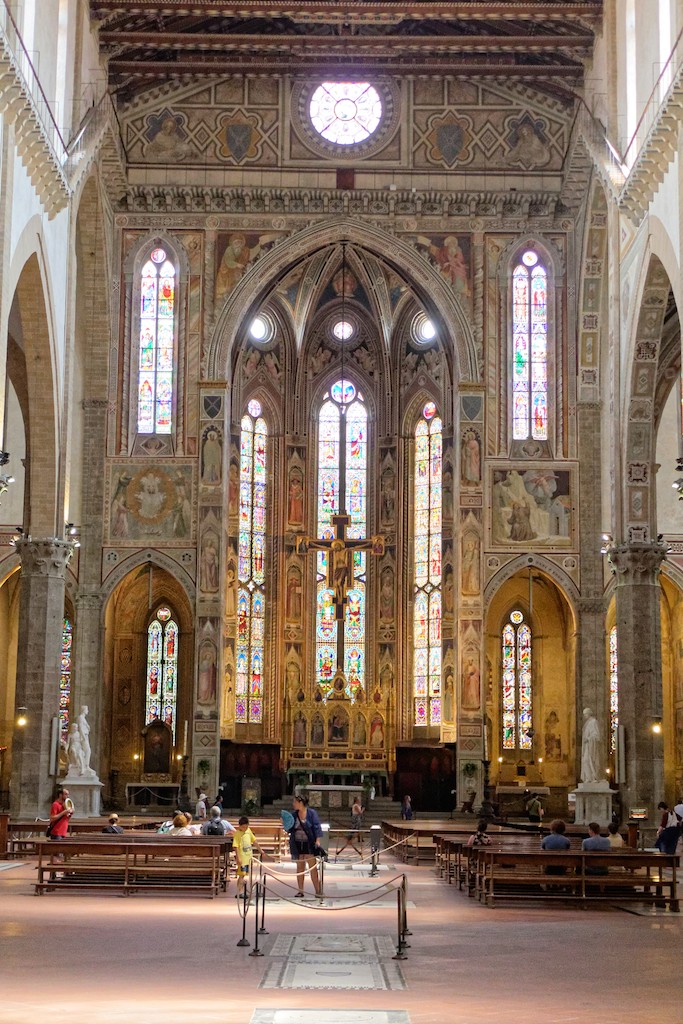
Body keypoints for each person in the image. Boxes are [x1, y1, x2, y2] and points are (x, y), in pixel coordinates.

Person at [288, 794, 323, 897]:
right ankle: (300, 891)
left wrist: (317, 840)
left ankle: (318, 891)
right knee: (300, 868)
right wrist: (285, 824)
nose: (293, 804)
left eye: (295, 802)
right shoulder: (294, 815)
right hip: (297, 843)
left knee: (312, 868)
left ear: (301, 803)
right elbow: (289, 829)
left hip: (309, 843)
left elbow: (316, 826)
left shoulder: (311, 813)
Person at [233, 815, 262, 896]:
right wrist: (238, 858)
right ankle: (240, 892)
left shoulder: (248, 831)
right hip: (242, 858)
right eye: (243, 827)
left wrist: (260, 850)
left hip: (249, 857)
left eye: (246, 827)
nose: (245, 829)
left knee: (246, 875)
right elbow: (235, 846)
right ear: (240, 826)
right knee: (241, 875)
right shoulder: (237, 834)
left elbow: (254, 841)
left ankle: (246, 891)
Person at [580, 708, 601, 783]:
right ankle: (588, 778)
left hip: (592, 746)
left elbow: (597, 736)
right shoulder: (587, 723)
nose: (585, 716)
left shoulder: (594, 722)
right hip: (587, 746)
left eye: (585, 714)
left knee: (590, 760)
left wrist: (588, 739)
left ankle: (594, 777)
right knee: (585, 761)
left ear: (589, 714)